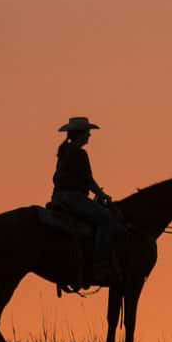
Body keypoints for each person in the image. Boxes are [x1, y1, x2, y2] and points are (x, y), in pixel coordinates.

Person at [51, 116, 120, 285]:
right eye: (88, 132)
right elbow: (88, 180)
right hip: (73, 198)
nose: (89, 135)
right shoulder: (79, 153)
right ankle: (101, 266)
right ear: (81, 134)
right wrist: (102, 195)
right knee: (106, 220)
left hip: (59, 197)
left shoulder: (65, 151)